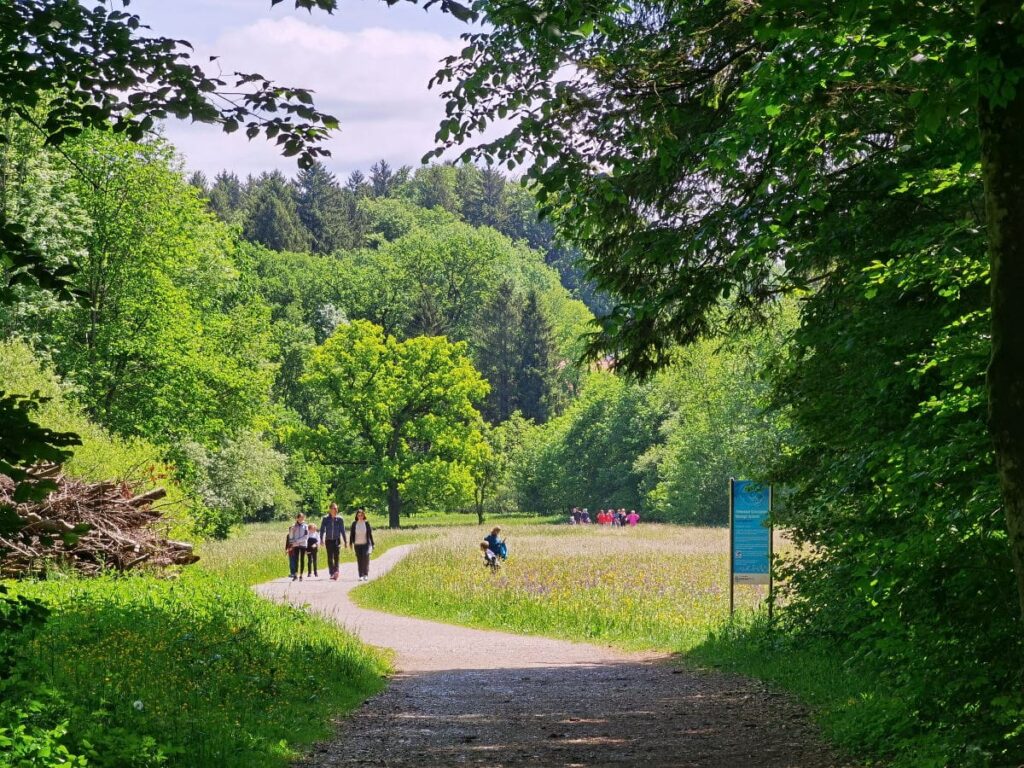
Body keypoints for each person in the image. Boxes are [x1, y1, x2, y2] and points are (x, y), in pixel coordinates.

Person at [320, 502, 348, 581]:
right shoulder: (325, 519)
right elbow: (322, 530)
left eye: (336, 508)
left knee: (336, 557)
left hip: (336, 540)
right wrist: (321, 539)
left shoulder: (340, 519)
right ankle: (331, 573)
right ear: (330, 509)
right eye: (334, 508)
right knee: (330, 557)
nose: (336, 510)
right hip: (328, 540)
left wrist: (345, 541)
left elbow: (343, 531)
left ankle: (336, 572)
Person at [350, 508, 375, 581]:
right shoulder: (354, 524)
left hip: (365, 544)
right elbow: (352, 534)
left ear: (363, 515)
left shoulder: (366, 523)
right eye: (359, 515)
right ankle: (360, 575)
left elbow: (370, 534)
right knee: (359, 559)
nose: (360, 516)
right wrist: (350, 543)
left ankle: (366, 574)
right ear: (357, 516)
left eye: (361, 515)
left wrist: (373, 544)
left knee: (365, 558)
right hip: (357, 544)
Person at [285, 513, 308, 581]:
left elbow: (306, 536)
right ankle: (295, 574)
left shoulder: (306, 526)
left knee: (302, 559)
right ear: (297, 518)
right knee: (296, 560)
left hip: (303, 544)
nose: (301, 519)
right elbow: (291, 536)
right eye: (300, 518)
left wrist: (297, 541)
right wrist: (292, 543)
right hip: (295, 545)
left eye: (302, 518)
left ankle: (301, 575)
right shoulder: (293, 526)